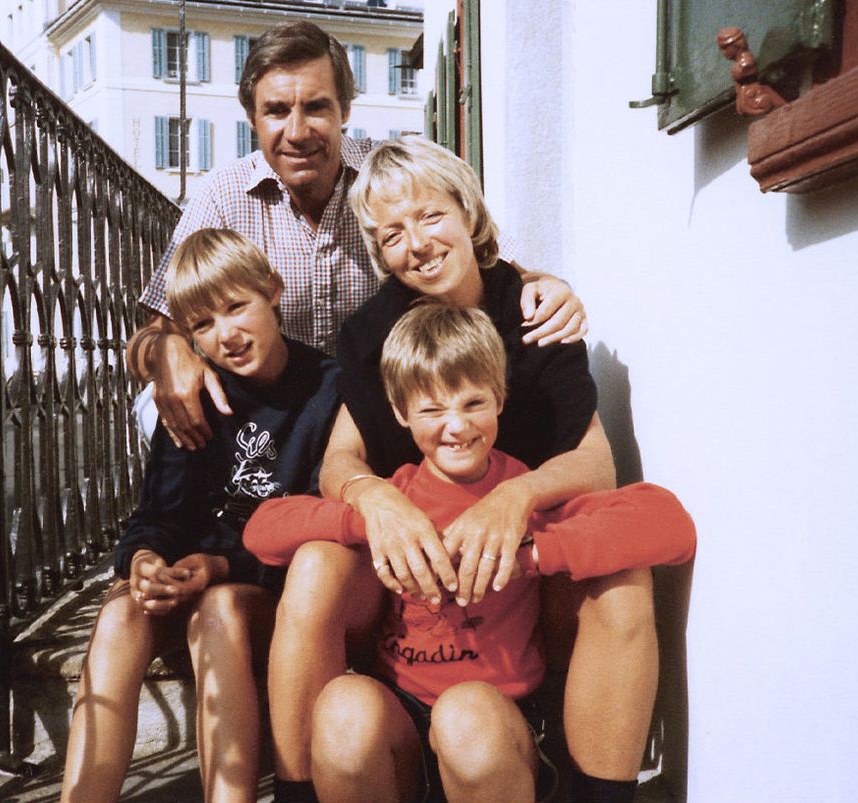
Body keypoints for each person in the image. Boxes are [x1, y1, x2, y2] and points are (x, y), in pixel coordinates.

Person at [264, 135, 672, 803]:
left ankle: (594, 788)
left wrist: (515, 499)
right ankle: (297, 790)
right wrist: (377, 500)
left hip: (525, 579)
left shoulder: (536, 312)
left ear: (467, 212)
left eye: (429, 216)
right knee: (314, 563)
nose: (417, 243)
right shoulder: (374, 332)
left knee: (623, 574)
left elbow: (598, 463)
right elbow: (341, 457)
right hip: (413, 593)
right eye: (392, 233)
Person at [244, 302, 696, 803]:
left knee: (465, 716)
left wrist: (529, 554)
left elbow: (669, 523)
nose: (456, 427)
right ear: (401, 415)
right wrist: (368, 518)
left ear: (500, 398)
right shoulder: (398, 499)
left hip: (498, 721)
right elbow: (262, 530)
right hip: (402, 718)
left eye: (472, 404)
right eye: (432, 410)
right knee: (342, 708)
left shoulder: (522, 494)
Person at [125, 20, 586, 455]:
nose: (297, 131)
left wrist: (548, 286)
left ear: (345, 109)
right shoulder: (222, 196)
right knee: (156, 403)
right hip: (269, 410)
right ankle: (197, 524)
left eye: (316, 107)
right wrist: (168, 351)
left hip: (378, 408)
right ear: (253, 119)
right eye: (277, 111)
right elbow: (150, 333)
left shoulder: (384, 181)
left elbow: (485, 257)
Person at [60, 229, 341, 803]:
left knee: (218, 609)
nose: (227, 335)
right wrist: (142, 559)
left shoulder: (328, 389)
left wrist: (218, 564)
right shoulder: (194, 394)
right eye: (203, 326)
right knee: (119, 614)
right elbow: (155, 516)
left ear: (273, 291)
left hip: (273, 588)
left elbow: (318, 519)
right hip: (194, 572)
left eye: (237, 308)